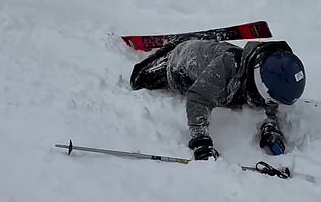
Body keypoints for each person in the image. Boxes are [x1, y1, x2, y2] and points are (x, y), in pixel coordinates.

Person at [130, 37, 306, 160]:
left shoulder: (263, 76)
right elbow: (198, 98)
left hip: (208, 57)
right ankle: (174, 45)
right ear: (262, 85)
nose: (273, 104)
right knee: (138, 79)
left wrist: (270, 128)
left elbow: (268, 106)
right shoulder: (227, 66)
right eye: (273, 99)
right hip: (179, 64)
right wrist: (201, 140)